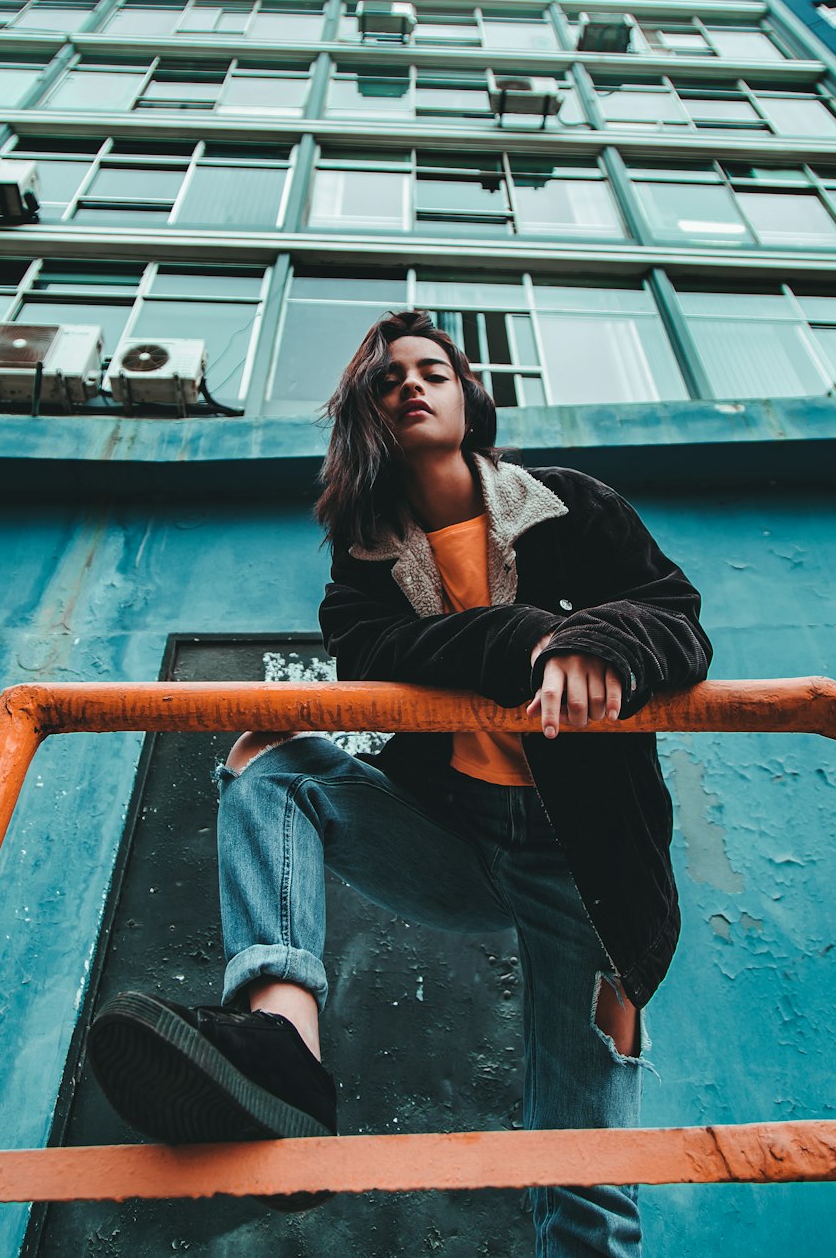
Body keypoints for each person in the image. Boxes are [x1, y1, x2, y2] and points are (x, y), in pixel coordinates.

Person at [89, 310, 713, 1254]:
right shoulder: (365, 570)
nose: (412, 386)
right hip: (453, 839)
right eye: (387, 382)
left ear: (469, 394)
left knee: (580, 1173)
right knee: (270, 757)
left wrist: (602, 641)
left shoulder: (572, 506)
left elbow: (676, 616)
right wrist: (533, 638)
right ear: (366, 418)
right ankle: (284, 1048)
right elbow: (383, 652)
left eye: (434, 370)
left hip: (583, 865)